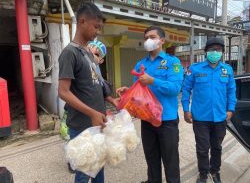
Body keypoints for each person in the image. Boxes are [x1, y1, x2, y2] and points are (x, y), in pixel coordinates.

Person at [117, 26, 183, 183]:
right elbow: (137, 92)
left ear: (162, 40)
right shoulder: (140, 64)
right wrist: (128, 91)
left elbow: (175, 88)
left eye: (152, 37)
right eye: (146, 38)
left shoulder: (172, 62)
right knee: (151, 160)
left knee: (171, 162)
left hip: (167, 121)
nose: (148, 40)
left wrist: (153, 81)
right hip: (147, 120)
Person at [58, 2, 106, 183]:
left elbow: (94, 84)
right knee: (84, 173)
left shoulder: (87, 53)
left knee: (99, 170)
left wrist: (112, 98)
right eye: (96, 27)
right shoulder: (70, 53)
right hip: (82, 126)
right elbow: (63, 92)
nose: (98, 32)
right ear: (82, 21)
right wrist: (92, 112)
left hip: (96, 122)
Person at [181, 37, 237, 183]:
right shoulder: (194, 69)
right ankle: (203, 173)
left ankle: (215, 171)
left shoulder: (228, 70)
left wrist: (231, 109)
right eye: (212, 49)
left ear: (222, 52)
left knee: (217, 147)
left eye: (218, 50)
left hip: (220, 117)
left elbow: (231, 91)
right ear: (206, 51)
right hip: (200, 118)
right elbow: (186, 89)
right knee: (202, 148)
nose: (215, 52)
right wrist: (186, 109)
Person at [88, 40, 119, 107]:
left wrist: (112, 100)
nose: (92, 54)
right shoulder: (79, 65)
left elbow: (101, 90)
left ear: (101, 61)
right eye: (89, 51)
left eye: (96, 54)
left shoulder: (97, 70)